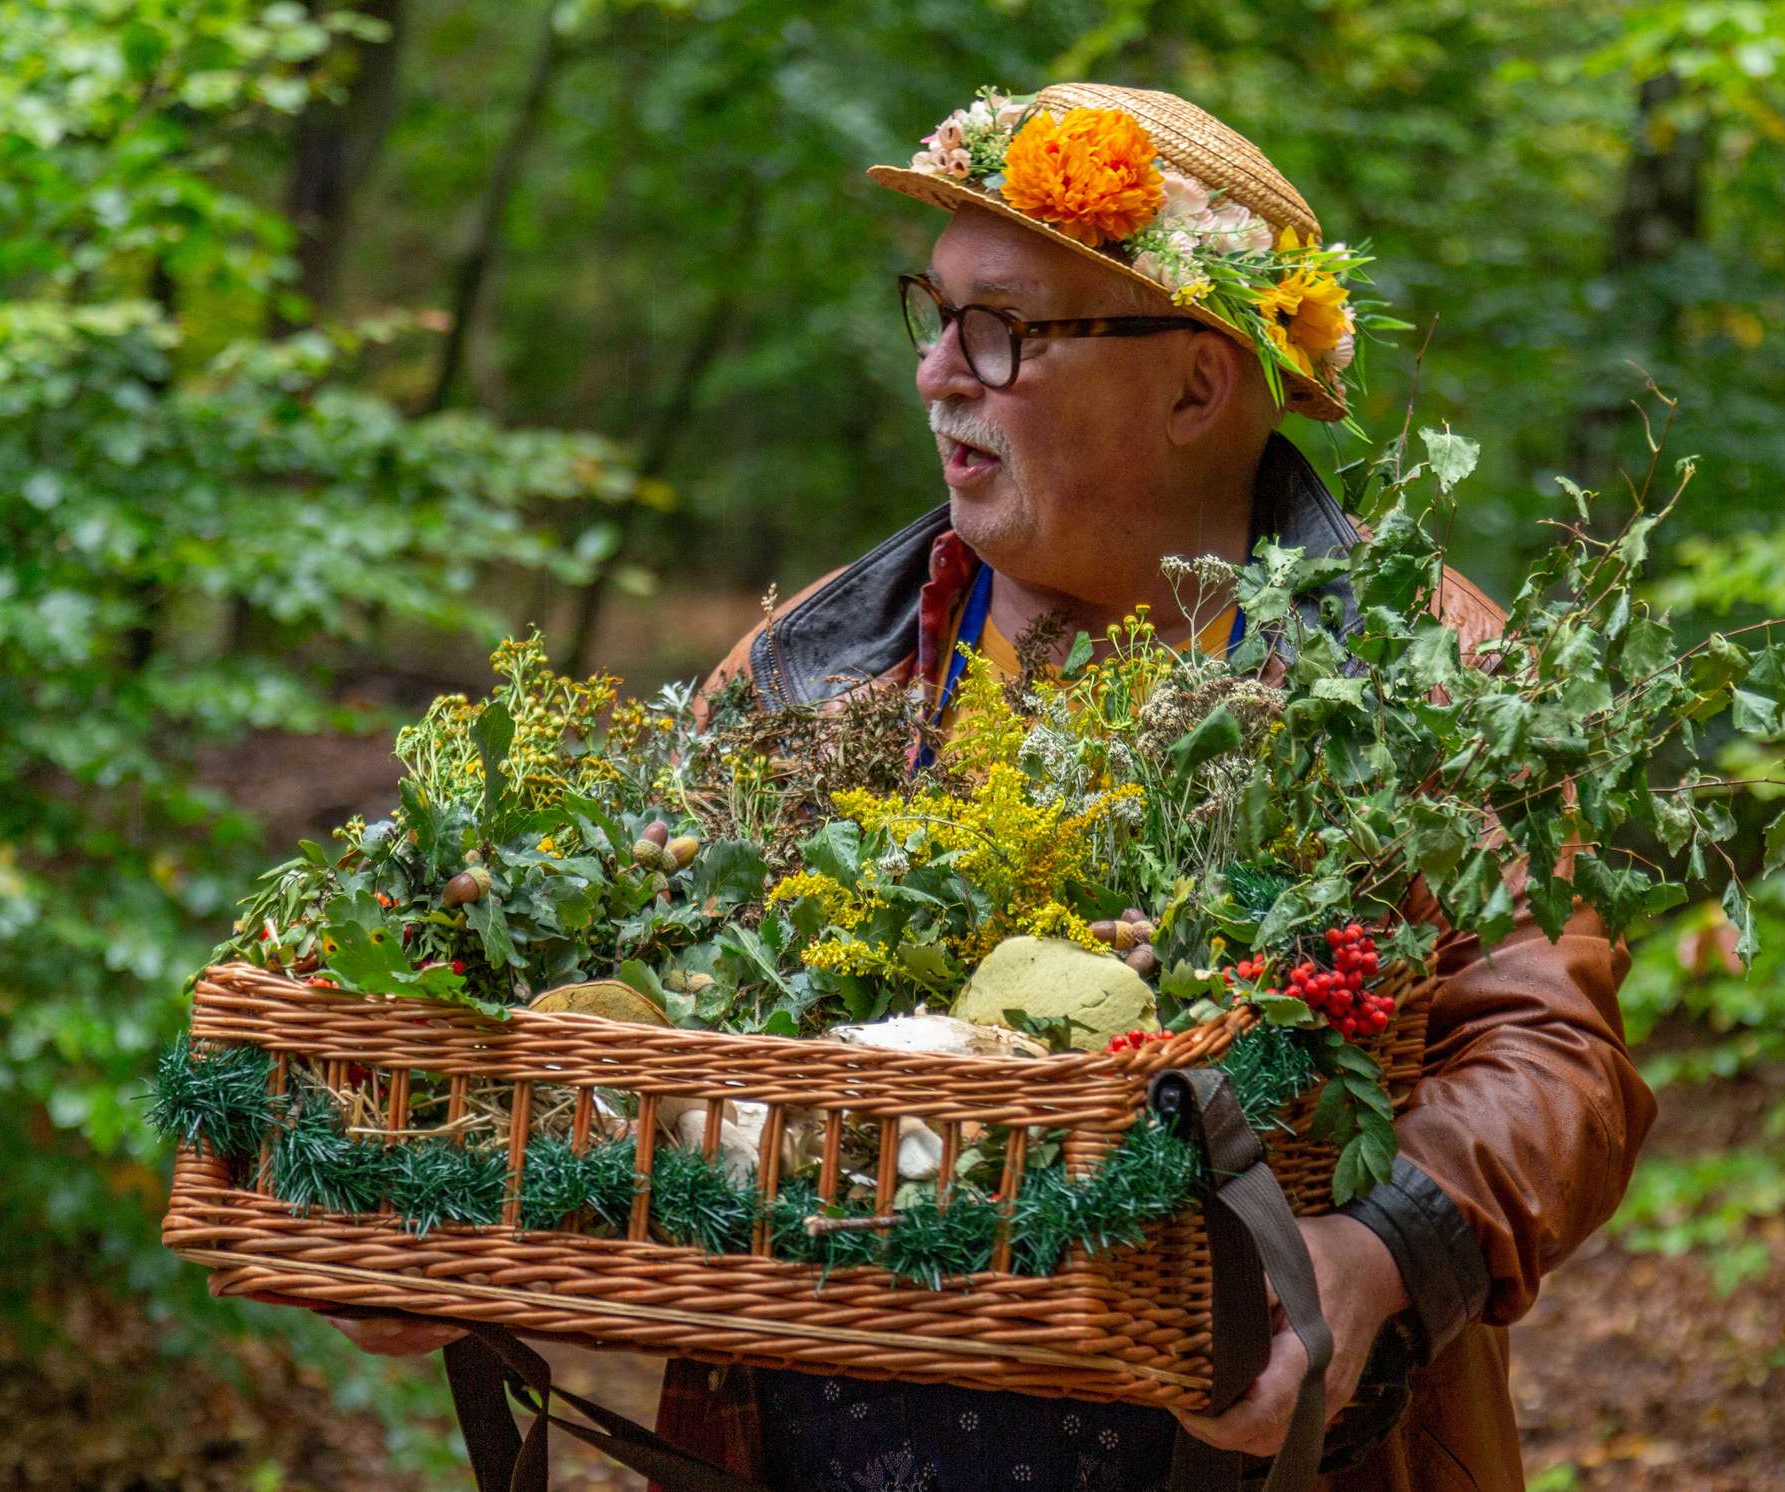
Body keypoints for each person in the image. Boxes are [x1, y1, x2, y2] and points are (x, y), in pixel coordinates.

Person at [334, 82, 1654, 1492]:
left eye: (1005, 329)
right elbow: (624, 1032)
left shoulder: (1421, 672)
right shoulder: (807, 672)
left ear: (1198, 384)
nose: (938, 372)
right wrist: (455, 1218)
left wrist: (1379, 1250)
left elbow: (1552, 1055)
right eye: (938, 313)